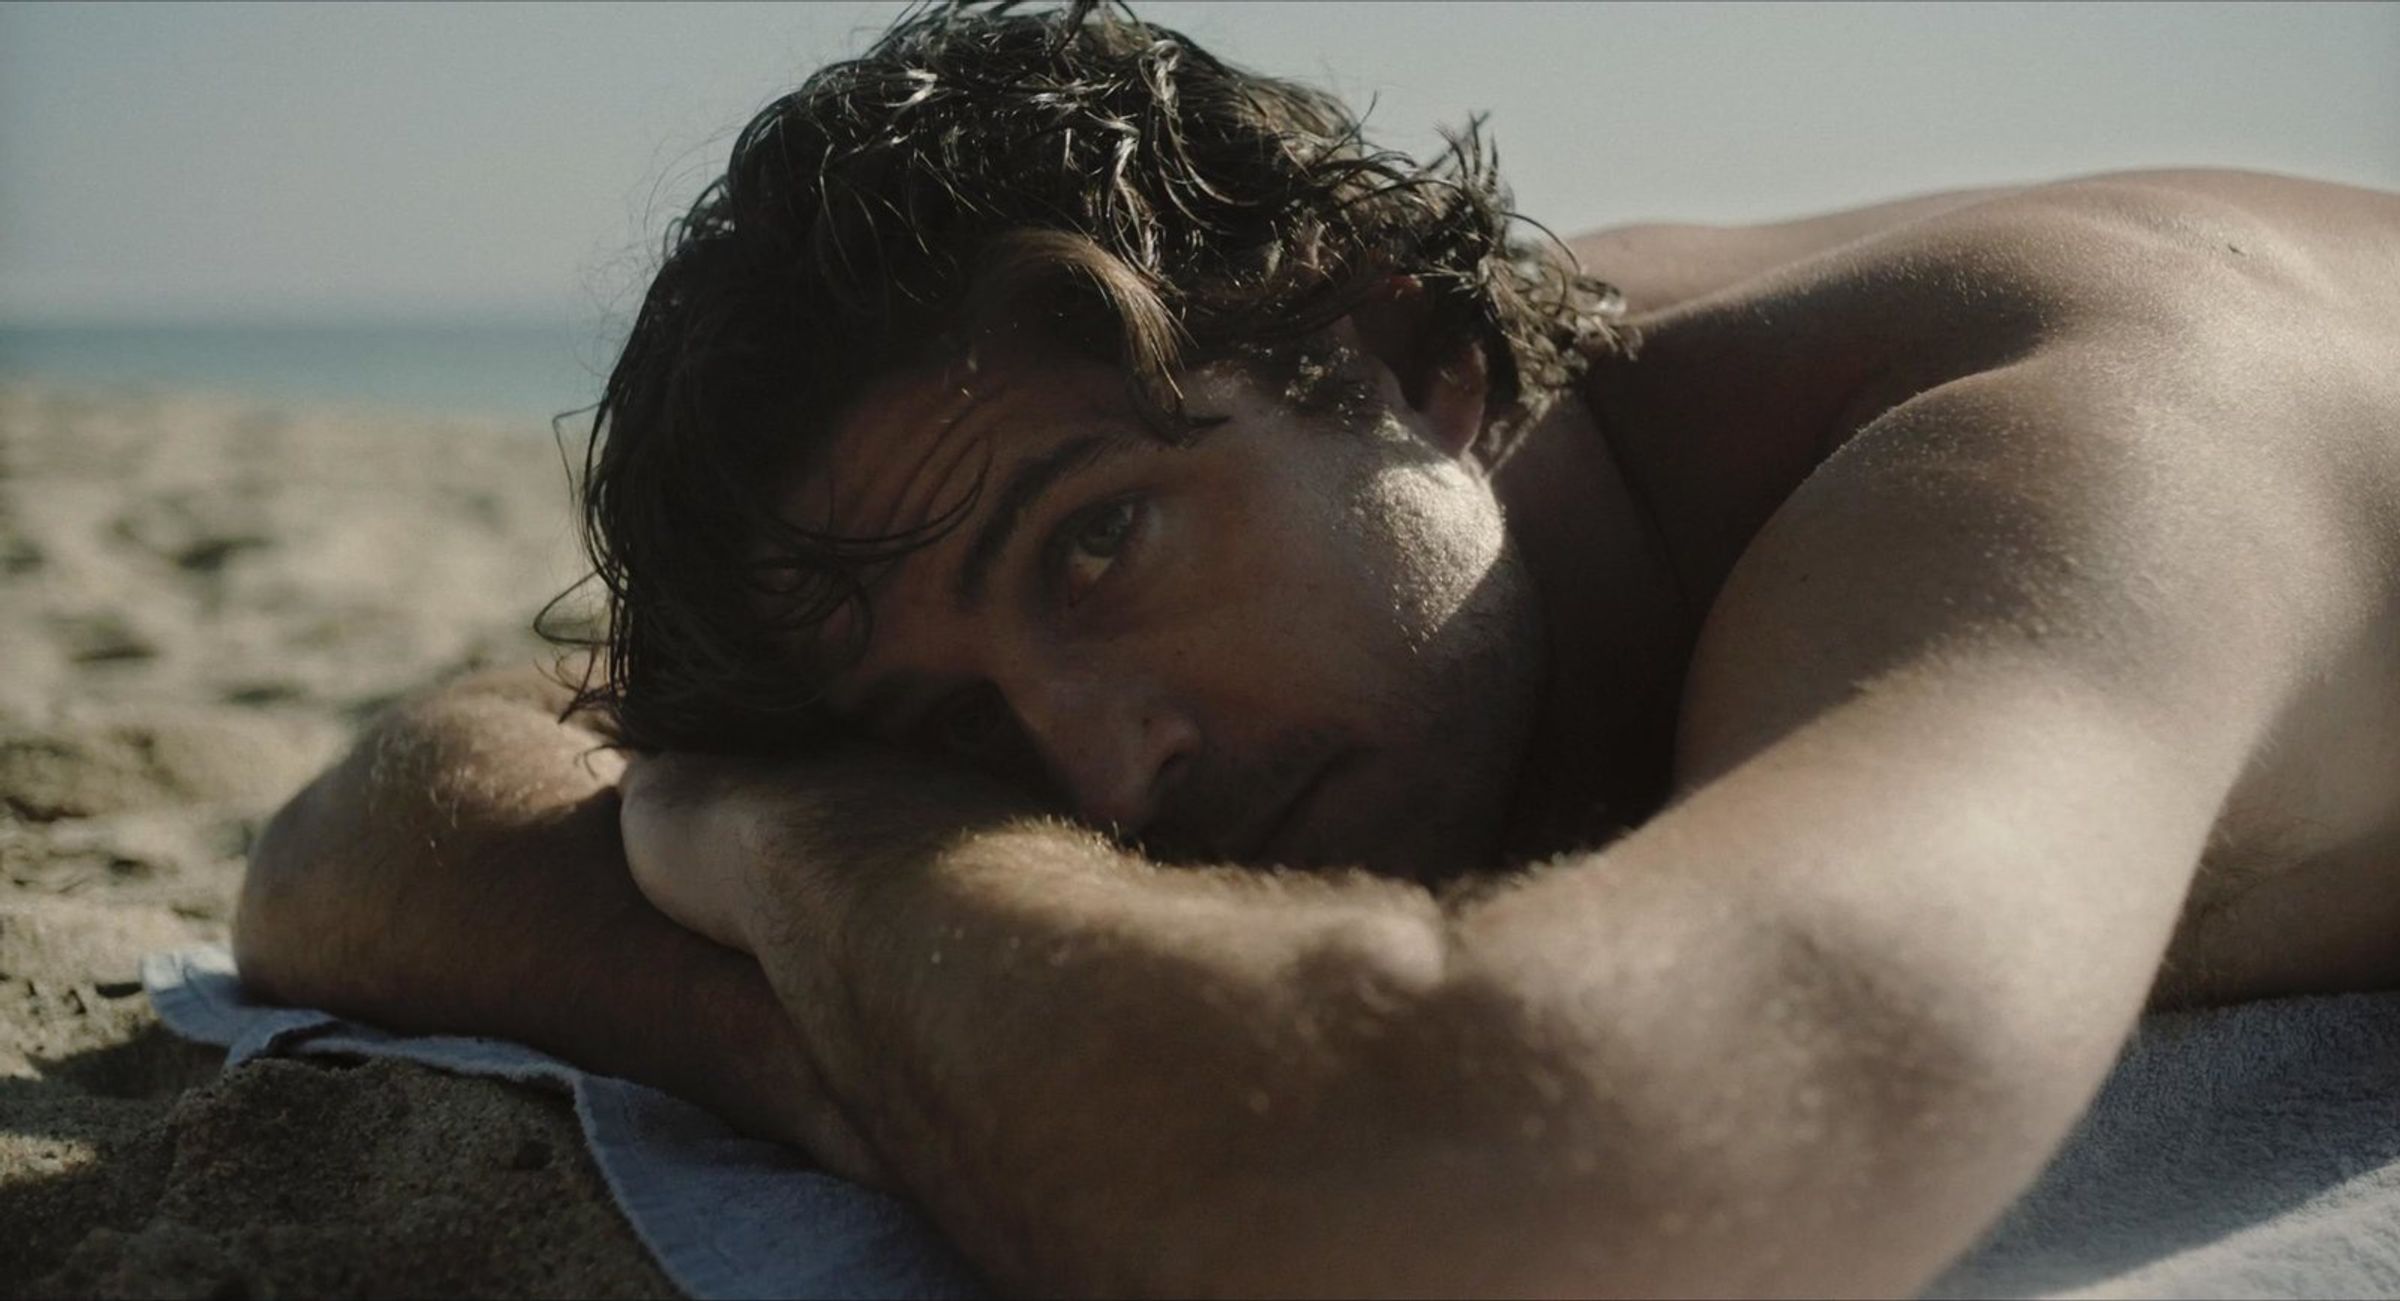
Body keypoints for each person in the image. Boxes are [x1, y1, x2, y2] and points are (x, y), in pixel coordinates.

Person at [231, 2, 2400, 1294]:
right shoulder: (1296, 425)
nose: (1098, 772)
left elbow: (1500, 1185)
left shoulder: (2073, 459)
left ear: (1414, 353)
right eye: (944, 727)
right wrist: (864, 1023)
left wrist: (826, 877)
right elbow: (358, 839)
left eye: (1096, 547)